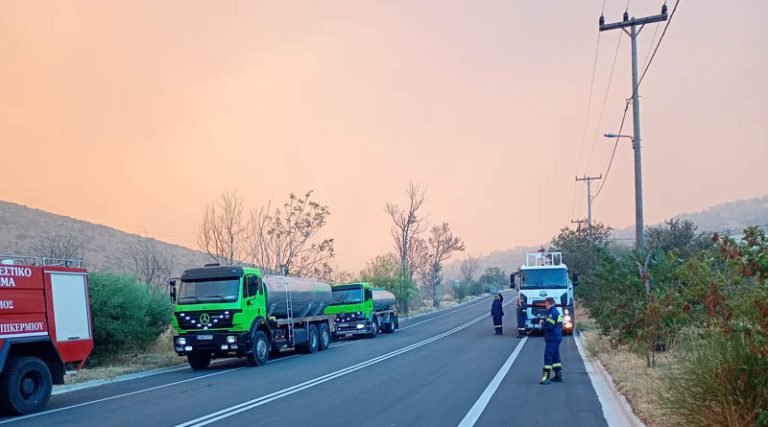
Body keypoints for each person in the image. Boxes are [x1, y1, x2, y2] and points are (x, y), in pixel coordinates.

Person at [538, 297, 563, 384]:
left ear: (548, 302)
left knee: (548, 356)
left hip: (552, 337)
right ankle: (558, 375)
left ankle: (546, 377)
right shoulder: (554, 311)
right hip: (556, 336)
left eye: (545, 303)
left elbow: (549, 326)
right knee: (555, 355)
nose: (544, 304)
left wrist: (542, 323)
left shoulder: (552, 313)